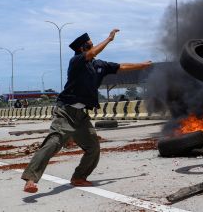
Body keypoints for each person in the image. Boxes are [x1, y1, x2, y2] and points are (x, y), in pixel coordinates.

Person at [22, 29, 151, 193]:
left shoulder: (98, 65)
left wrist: (144, 65)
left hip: (82, 116)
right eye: (90, 45)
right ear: (82, 49)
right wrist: (109, 39)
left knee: (93, 147)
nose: (93, 47)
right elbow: (91, 54)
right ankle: (31, 180)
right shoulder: (76, 62)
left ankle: (79, 177)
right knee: (53, 143)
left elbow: (122, 66)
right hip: (65, 112)